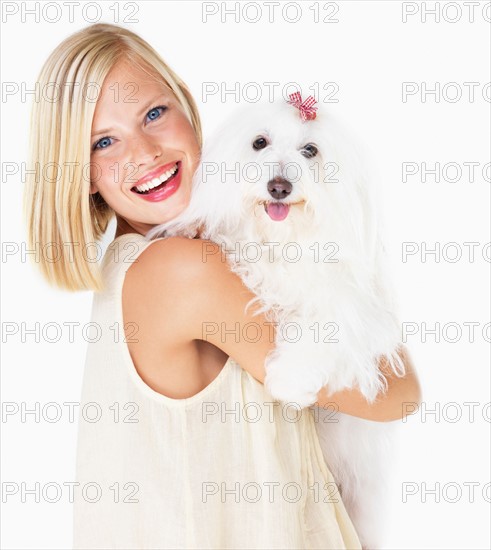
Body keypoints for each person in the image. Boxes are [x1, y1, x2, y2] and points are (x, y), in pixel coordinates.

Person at [24, 23, 421, 550]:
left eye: (153, 114)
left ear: (187, 103)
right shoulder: (185, 271)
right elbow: (399, 392)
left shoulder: (145, 262)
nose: (144, 152)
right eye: (104, 142)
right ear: (82, 175)